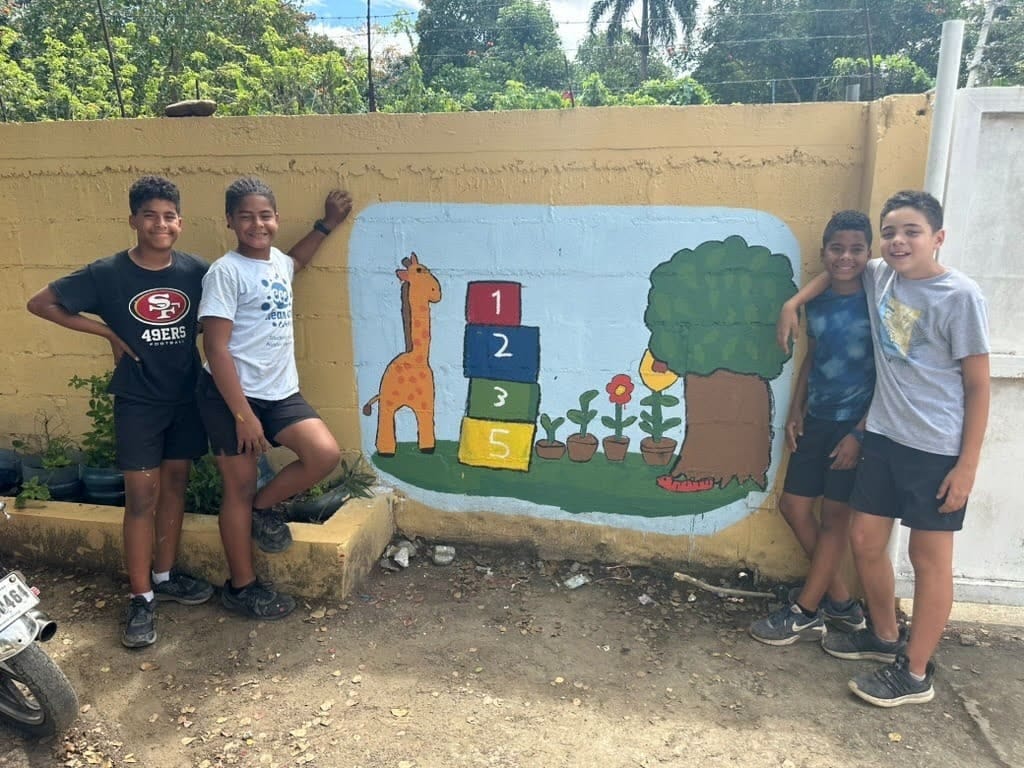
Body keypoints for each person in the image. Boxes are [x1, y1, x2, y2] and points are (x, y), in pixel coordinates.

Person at [777, 190, 990, 707]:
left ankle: (915, 673)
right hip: (883, 438)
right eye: (891, 232)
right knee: (864, 540)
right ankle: (884, 635)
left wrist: (966, 466)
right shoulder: (880, 275)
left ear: (938, 238)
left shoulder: (960, 296)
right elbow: (837, 272)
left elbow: (979, 385)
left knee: (928, 559)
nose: (899, 241)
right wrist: (793, 303)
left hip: (935, 448)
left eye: (911, 232)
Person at [27, 175, 214, 649]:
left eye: (169, 216)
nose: (160, 224)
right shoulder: (108, 273)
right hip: (138, 401)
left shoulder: (197, 271)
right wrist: (107, 333)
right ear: (133, 220)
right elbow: (41, 303)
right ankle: (140, 597)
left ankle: (165, 576)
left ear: (180, 222)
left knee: (175, 486)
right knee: (140, 498)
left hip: (185, 396)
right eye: (150, 215)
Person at [198, 177, 353, 620]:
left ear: (277, 219)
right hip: (230, 396)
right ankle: (241, 587)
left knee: (323, 454)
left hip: (280, 392)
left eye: (265, 216)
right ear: (230, 221)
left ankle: (262, 510)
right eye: (246, 216)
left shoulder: (279, 264)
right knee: (238, 488)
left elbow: (297, 260)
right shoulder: (225, 272)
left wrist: (327, 224)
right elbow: (215, 348)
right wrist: (242, 415)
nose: (257, 224)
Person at [749, 211, 874, 647]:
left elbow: (890, 379)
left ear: (869, 254)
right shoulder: (818, 301)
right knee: (793, 506)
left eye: (856, 249)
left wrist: (860, 433)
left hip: (853, 428)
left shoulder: (878, 302)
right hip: (816, 419)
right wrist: (796, 409)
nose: (845, 257)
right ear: (823, 252)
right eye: (837, 249)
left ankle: (805, 613)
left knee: (835, 520)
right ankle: (841, 604)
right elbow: (812, 358)